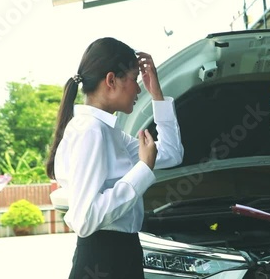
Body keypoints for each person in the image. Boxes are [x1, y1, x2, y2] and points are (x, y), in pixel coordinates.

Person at [46, 37, 184, 279]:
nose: (139, 89)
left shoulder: (109, 133)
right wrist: (143, 169)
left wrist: (157, 95)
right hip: (103, 260)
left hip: (121, 253)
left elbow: (172, 153)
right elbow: (86, 218)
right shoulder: (90, 130)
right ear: (111, 80)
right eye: (134, 79)